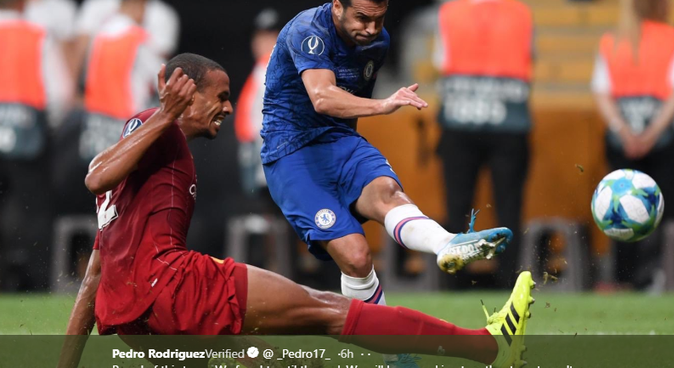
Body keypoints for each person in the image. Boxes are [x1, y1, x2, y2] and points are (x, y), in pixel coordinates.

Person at [58, 53, 535, 368]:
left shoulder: (134, 166)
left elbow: (95, 275)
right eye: (220, 96)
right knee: (330, 311)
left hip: (132, 319)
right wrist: (166, 113)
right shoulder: (154, 129)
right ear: (186, 94)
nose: (226, 107)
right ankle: (489, 345)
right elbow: (94, 175)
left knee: (261, 357)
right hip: (173, 288)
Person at [260, 0, 513, 361]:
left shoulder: (378, 42)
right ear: (337, 7)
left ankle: (448, 244)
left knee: (387, 191)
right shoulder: (308, 30)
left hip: (340, 140)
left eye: (379, 19)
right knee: (357, 256)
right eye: (362, 18)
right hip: (291, 152)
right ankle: (387, 349)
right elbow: (323, 97)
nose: (371, 29)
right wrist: (386, 104)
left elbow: (343, 110)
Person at [433, 0, 533, 289]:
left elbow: (441, 60)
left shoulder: (449, 13)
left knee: (458, 204)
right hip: (510, 123)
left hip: (460, 123)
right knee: (509, 208)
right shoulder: (521, 14)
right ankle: (510, 282)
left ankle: (454, 280)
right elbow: (528, 57)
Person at [591, 0, 674, 290]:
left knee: (620, 209)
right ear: (661, 2)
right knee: (670, 211)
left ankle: (623, 278)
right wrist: (651, 134)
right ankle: (669, 275)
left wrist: (626, 132)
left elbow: (602, 92)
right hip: (667, 141)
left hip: (623, 143)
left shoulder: (613, 40)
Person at [0, 0, 65, 290]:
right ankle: (37, 284)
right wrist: (45, 123)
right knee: (35, 213)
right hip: (29, 136)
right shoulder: (37, 35)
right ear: (20, 3)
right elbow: (60, 92)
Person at [78, 0, 164, 164]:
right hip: (127, 122)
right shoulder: (138, 38)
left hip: (96, 121)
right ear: (135, 4)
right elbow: (160, 76)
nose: (145, 15)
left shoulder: (100, 36)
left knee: (98, 177)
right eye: (144, 8)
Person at [14, 0, 77, 128]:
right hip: (9, 99)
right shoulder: (6, 3)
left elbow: (71, 62)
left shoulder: (64, 7)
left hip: (47, 106)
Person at [235, 8, 281, 198]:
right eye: (259, 36)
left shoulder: (279, 67)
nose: (260, 43)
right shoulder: (262, 68)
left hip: (273, 152)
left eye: (269, 36)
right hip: (256, 150)